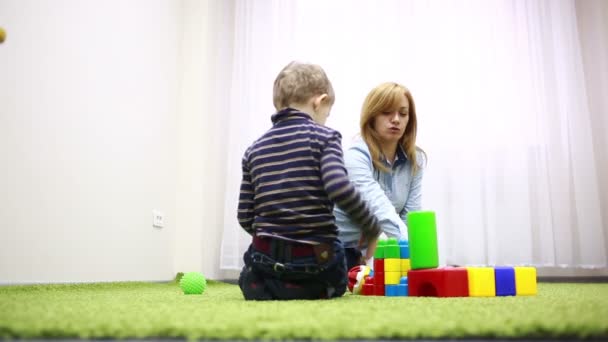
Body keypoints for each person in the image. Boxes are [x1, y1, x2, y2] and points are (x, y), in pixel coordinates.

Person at [237, 62, 382, 300]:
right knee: (340, 272)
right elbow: (338, 187)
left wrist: (275, 236)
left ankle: (267, 284)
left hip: (265, 260)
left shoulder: (253, 150)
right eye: (327, 112)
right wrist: (370, 225)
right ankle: (308, 286)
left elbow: (244, 216)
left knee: (251, 273)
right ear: (319, 101)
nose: (325, 119)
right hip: (316, 261)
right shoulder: (326, 138)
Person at [335, 82, 426, 271]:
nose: (396, 119)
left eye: (403, 113)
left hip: (385, 252)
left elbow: (410, 217)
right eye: (386, 112)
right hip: (342, 255)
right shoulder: (355, 156)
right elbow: (381, 212)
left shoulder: (415, 160)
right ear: (372, 117)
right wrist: (418, 257)